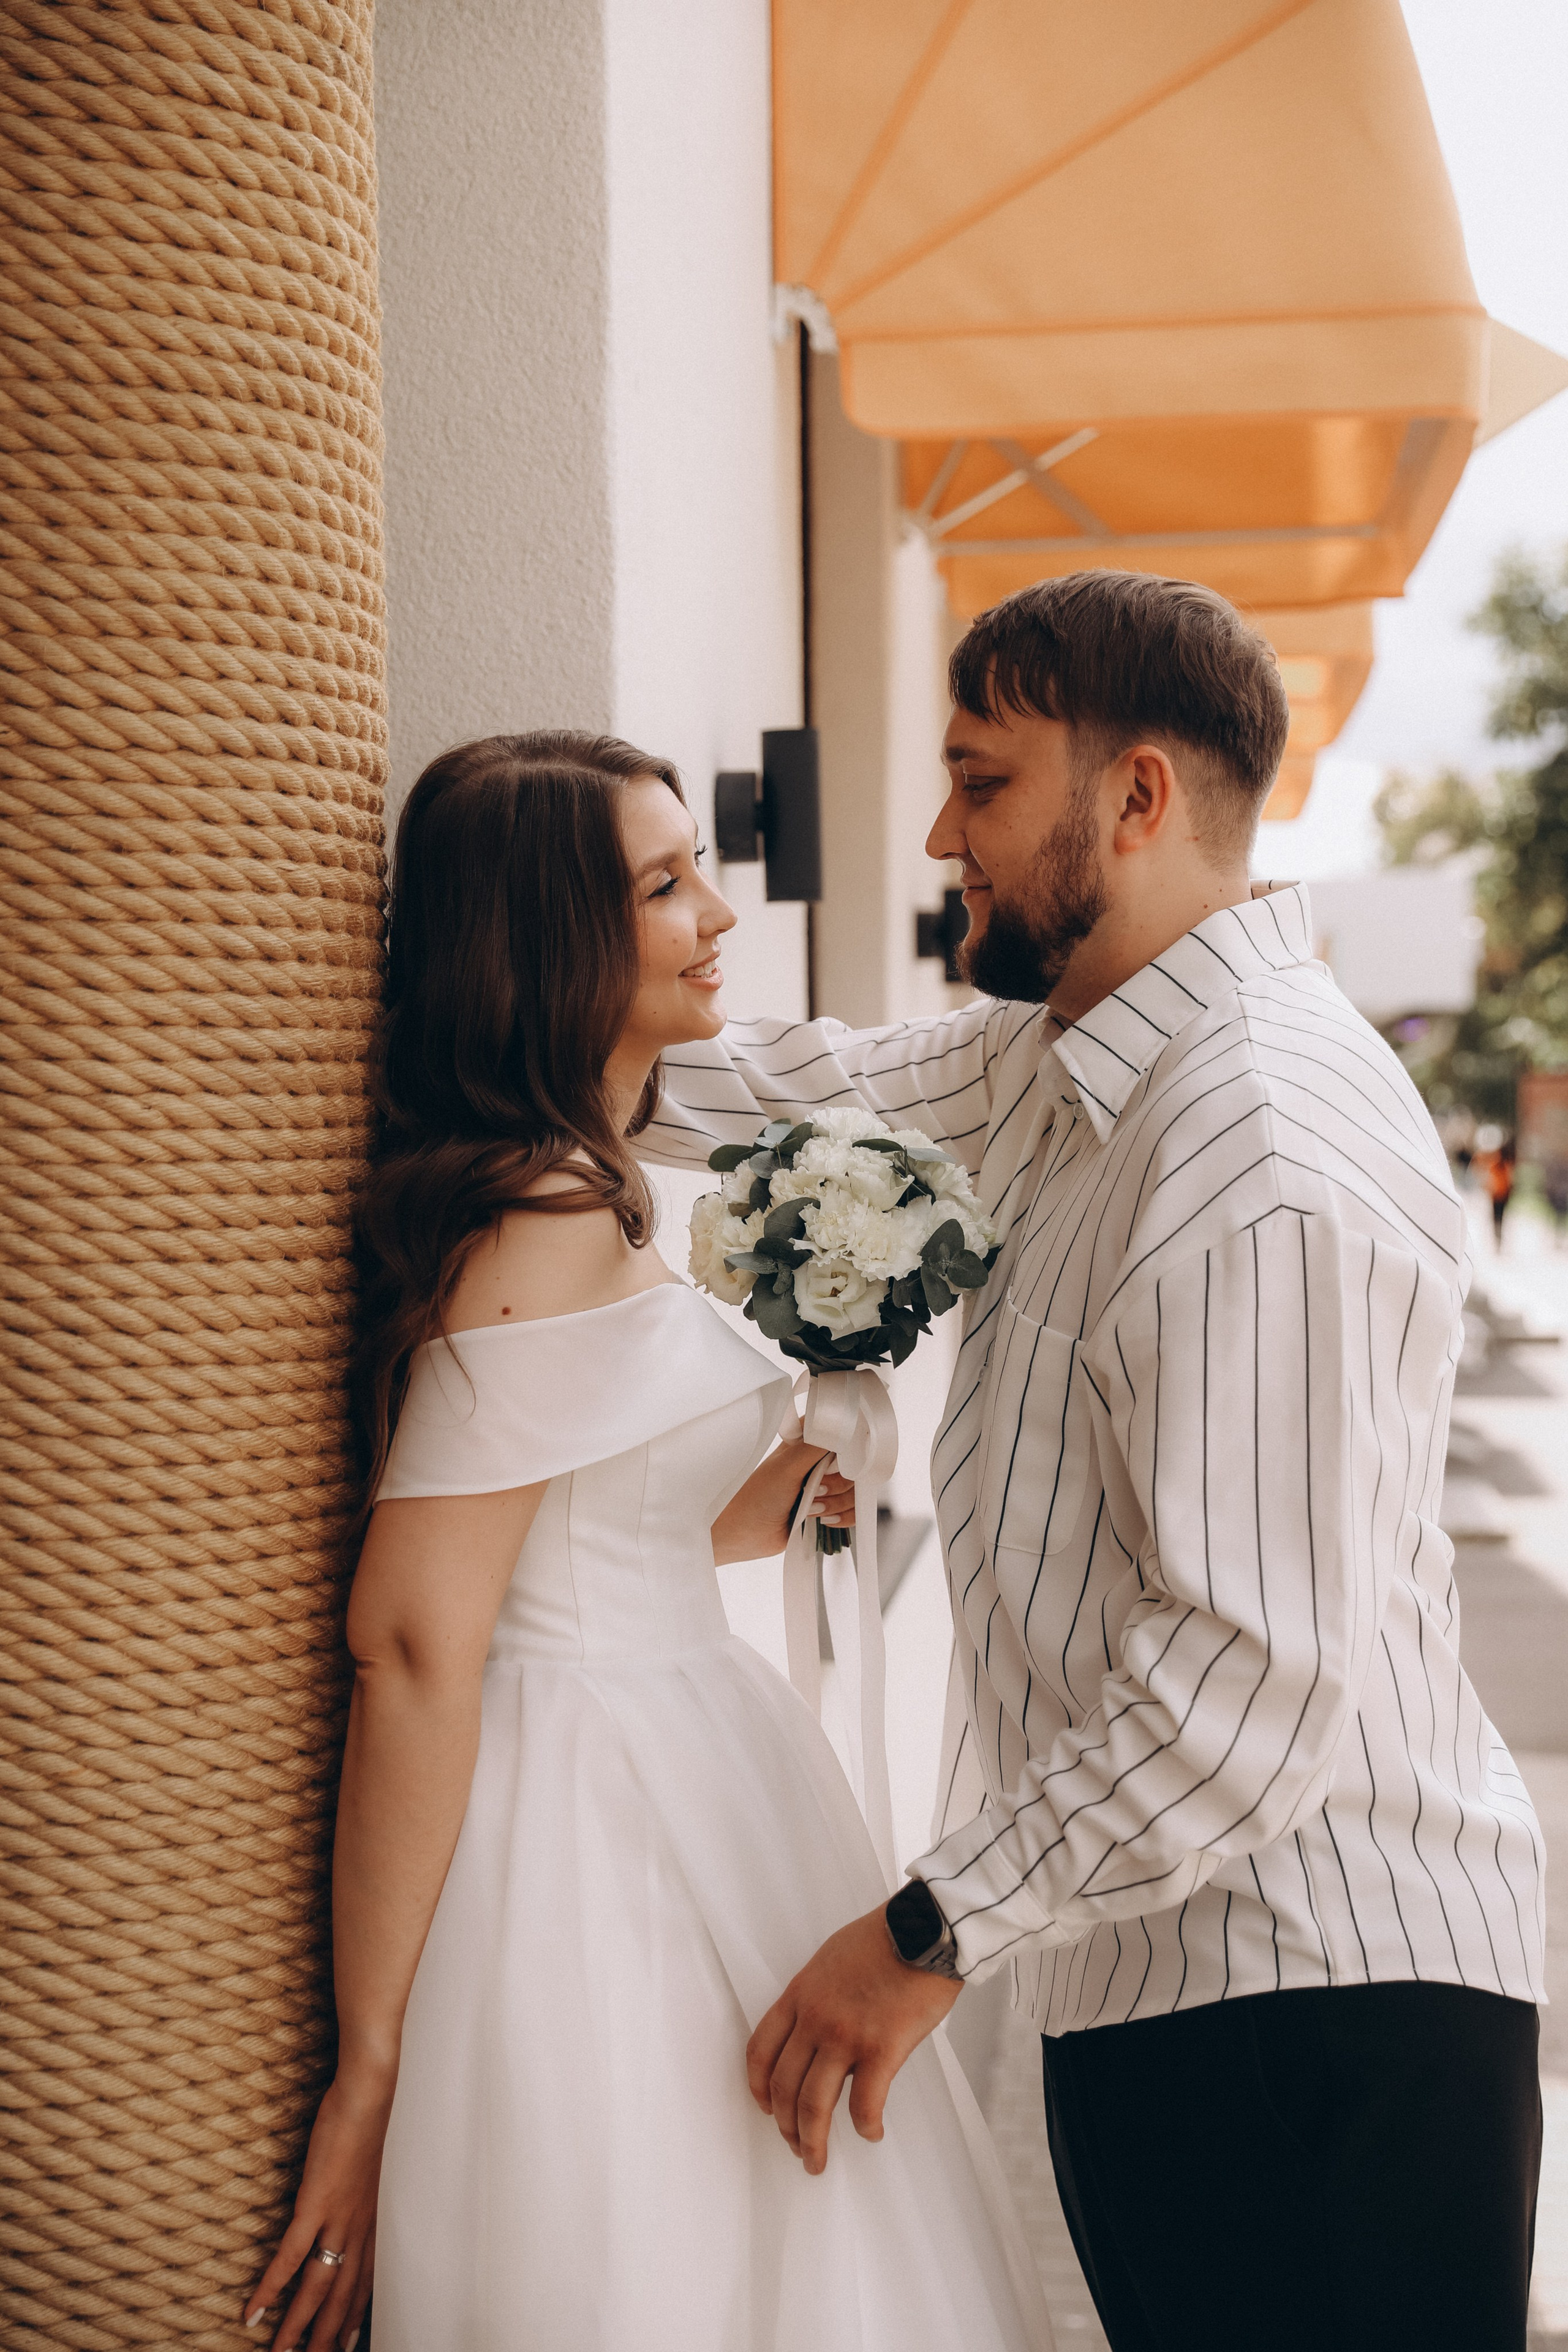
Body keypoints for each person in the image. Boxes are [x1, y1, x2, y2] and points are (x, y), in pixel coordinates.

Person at [651, 573, 1547, 2352]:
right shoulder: (1074, 1057)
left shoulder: (1257, 1143)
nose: (936, 830)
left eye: (982, 782)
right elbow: (837, 1082)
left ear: (1134, 797)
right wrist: (531, 1051)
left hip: (1317, 2025)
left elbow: (1246, 1681)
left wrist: (920, 1935)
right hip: (1178, 1991)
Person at [246, 733, 1051, 2352]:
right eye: (664, 885)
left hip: (693, 1748)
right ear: (551, 940)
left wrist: (789, 1456)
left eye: (701, 868)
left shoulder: (587, 1189)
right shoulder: (542, 1213)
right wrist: (374, 2069)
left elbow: (609, 1530)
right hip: (584, 1808)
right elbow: (416, 1638)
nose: (717, 912)